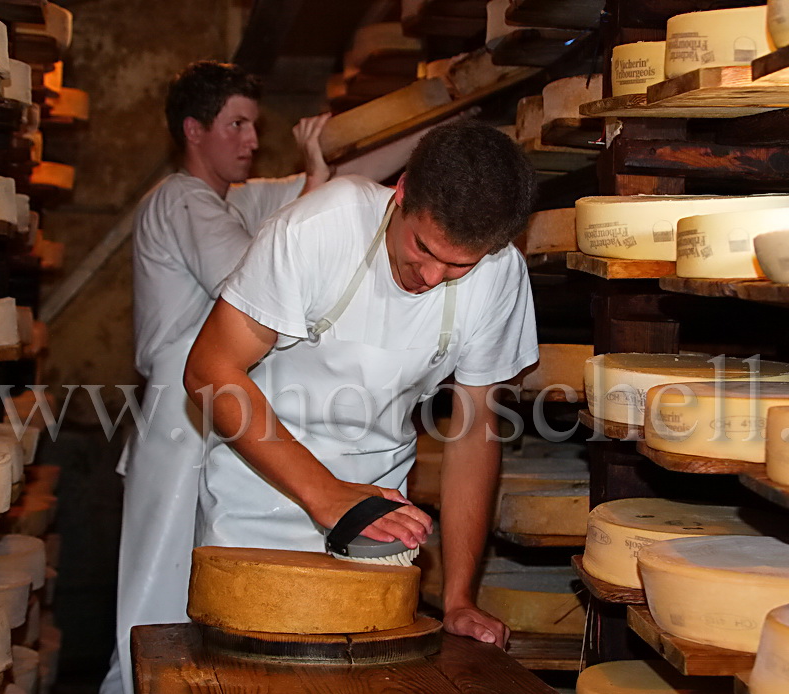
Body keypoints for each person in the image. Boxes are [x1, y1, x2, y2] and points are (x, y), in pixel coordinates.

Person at [184, 120, 538, 647]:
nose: (434, 276)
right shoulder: (319, 229)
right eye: (424, 247)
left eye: (458, 265)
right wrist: (325, 495)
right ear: (400, 194)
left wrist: (460, 597)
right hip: (256, 501)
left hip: (377, 519)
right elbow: (210, 372)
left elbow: (473, 434)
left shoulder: (500, 273)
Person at [95, 61, 331, 694]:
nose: (252, 138)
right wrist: (315, 177)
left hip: (215, 411)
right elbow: (251, 277)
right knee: (156, 600)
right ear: (195, 131)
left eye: (255, 124)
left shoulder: (234, 200)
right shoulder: (182, 198)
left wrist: (440, 113)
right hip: (180, 413)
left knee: (199, 597)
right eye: (237, 124)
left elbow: (325, 182)